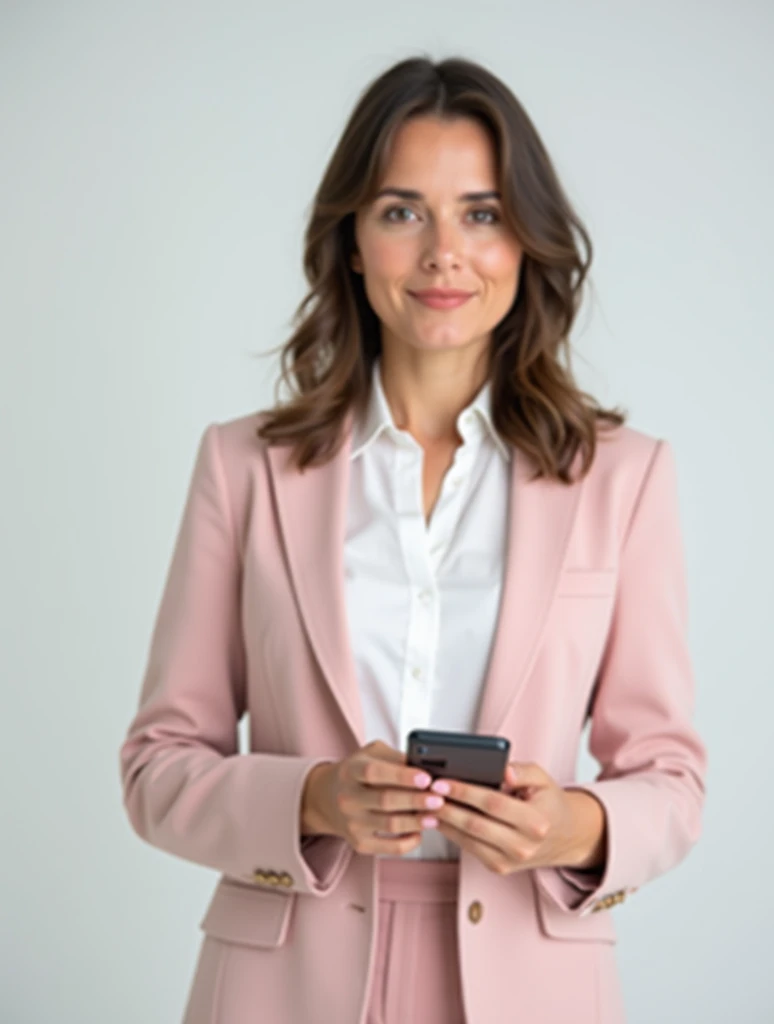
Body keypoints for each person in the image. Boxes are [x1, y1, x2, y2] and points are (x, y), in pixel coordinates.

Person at [119, 54, 707, 1024]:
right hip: (283, 981)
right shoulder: (241, 467)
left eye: (480, 213)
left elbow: (670, 779)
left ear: (525, 241)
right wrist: (311, 800)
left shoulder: (623, 475)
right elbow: (156, 764)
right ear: (350, 241)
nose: (444, 253)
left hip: (530, 980)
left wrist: (575, 823)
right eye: (400, 211)